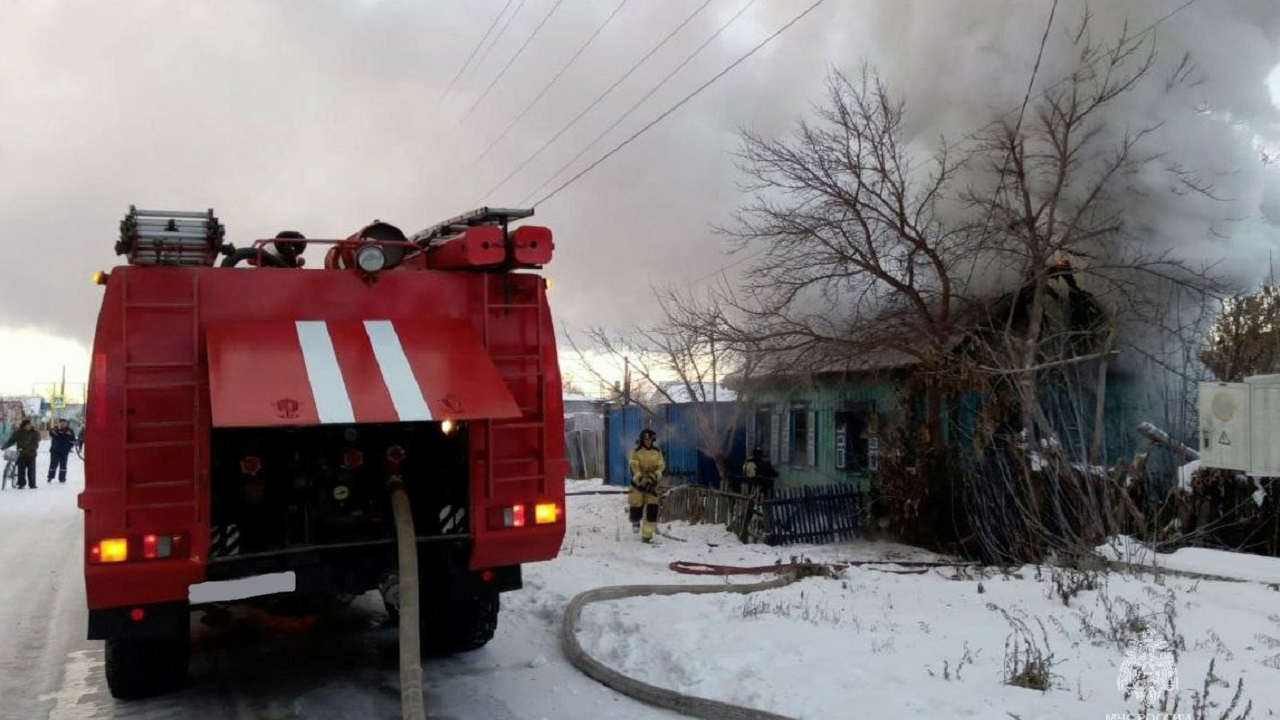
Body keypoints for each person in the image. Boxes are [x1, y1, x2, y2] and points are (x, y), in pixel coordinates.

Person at [627, 428, 665, 543]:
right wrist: (640, 478)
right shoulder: (636, 451)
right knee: (636, 505)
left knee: (652, 510)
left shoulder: (657, 452)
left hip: (652, 485)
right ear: (642, 440)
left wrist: (654, 477)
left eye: (650, 439)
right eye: (646, 439)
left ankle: (647, 536)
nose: (648, 441)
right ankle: (635, 521)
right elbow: (633, 466)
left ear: (653, 440)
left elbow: (661, 466)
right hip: (638, 484)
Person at [2, 419, 41, 489]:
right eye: (27, 425)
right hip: (21, 454)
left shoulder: (35, 433)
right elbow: (11, 440)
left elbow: (36, 441)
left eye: (30, 425)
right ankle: (21, 484)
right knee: (21, 470)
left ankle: (32, 484)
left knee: (31, 470)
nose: (29, 426)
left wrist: (34, 446)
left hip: (31, 454)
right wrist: (5, 446)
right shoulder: (18, 433)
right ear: (24, 426)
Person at [48, 418, 76, 483]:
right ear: (59, 424)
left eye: (64, 423)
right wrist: (54, 431)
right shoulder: (55, 430)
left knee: (63, 465)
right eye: (61, 423)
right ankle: (50, 477)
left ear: (66, 424)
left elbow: (72, 441)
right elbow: (51, 433)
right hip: (55, 450)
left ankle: (62, 478)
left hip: (64, 452)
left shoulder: (69, 431)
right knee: (53, 464)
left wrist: (68, 448)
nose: (63, 424)